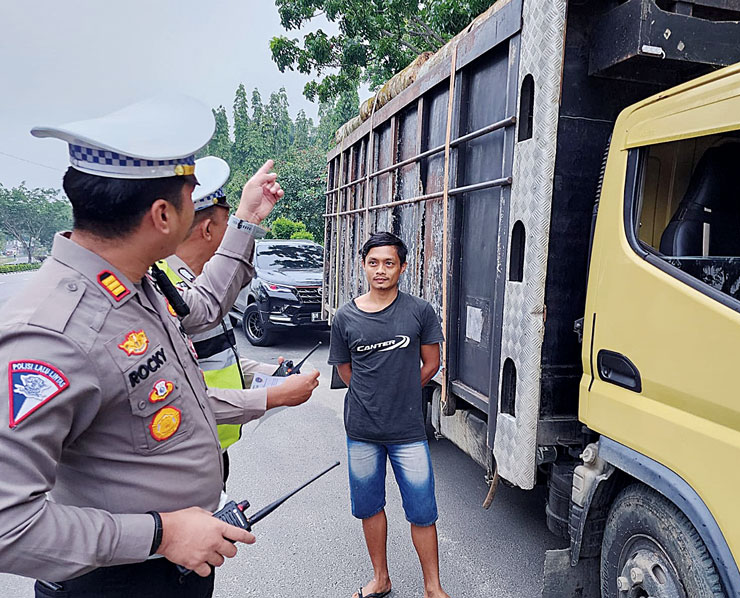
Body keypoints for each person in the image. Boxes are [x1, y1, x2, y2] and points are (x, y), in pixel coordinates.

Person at [0, 94, 320, 598]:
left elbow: (206, 305)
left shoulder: (139, 284)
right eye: (192, 195)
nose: (199, 211)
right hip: (115, 583)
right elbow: (7, 524)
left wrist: (247, 219)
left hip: (173, 569)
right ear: (163, 215)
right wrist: (161, 533)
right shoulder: (53, 334)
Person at [328, 231, 450, 598]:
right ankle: (380, 578)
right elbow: (346, 371)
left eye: (389, 263)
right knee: (369, 506)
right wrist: (373, 394)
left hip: (408, 430)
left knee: (422, 510)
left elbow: (432, 363)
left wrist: (401, 390)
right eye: (373, 263)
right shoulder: (345, 316)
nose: (380, 270)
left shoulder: (419, 311)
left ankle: (433, 587)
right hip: (362, 429)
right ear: (363, 265)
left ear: (403, 267)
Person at [155, 155, 281, 485]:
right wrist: (272, 396)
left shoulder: (193, 280)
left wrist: (269, 374)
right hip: (182, 456)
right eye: (230, 224)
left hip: (209, 447)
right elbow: (184, 396)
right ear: (209, 228)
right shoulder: (167, 289)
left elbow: (210, 358)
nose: (235, 237)